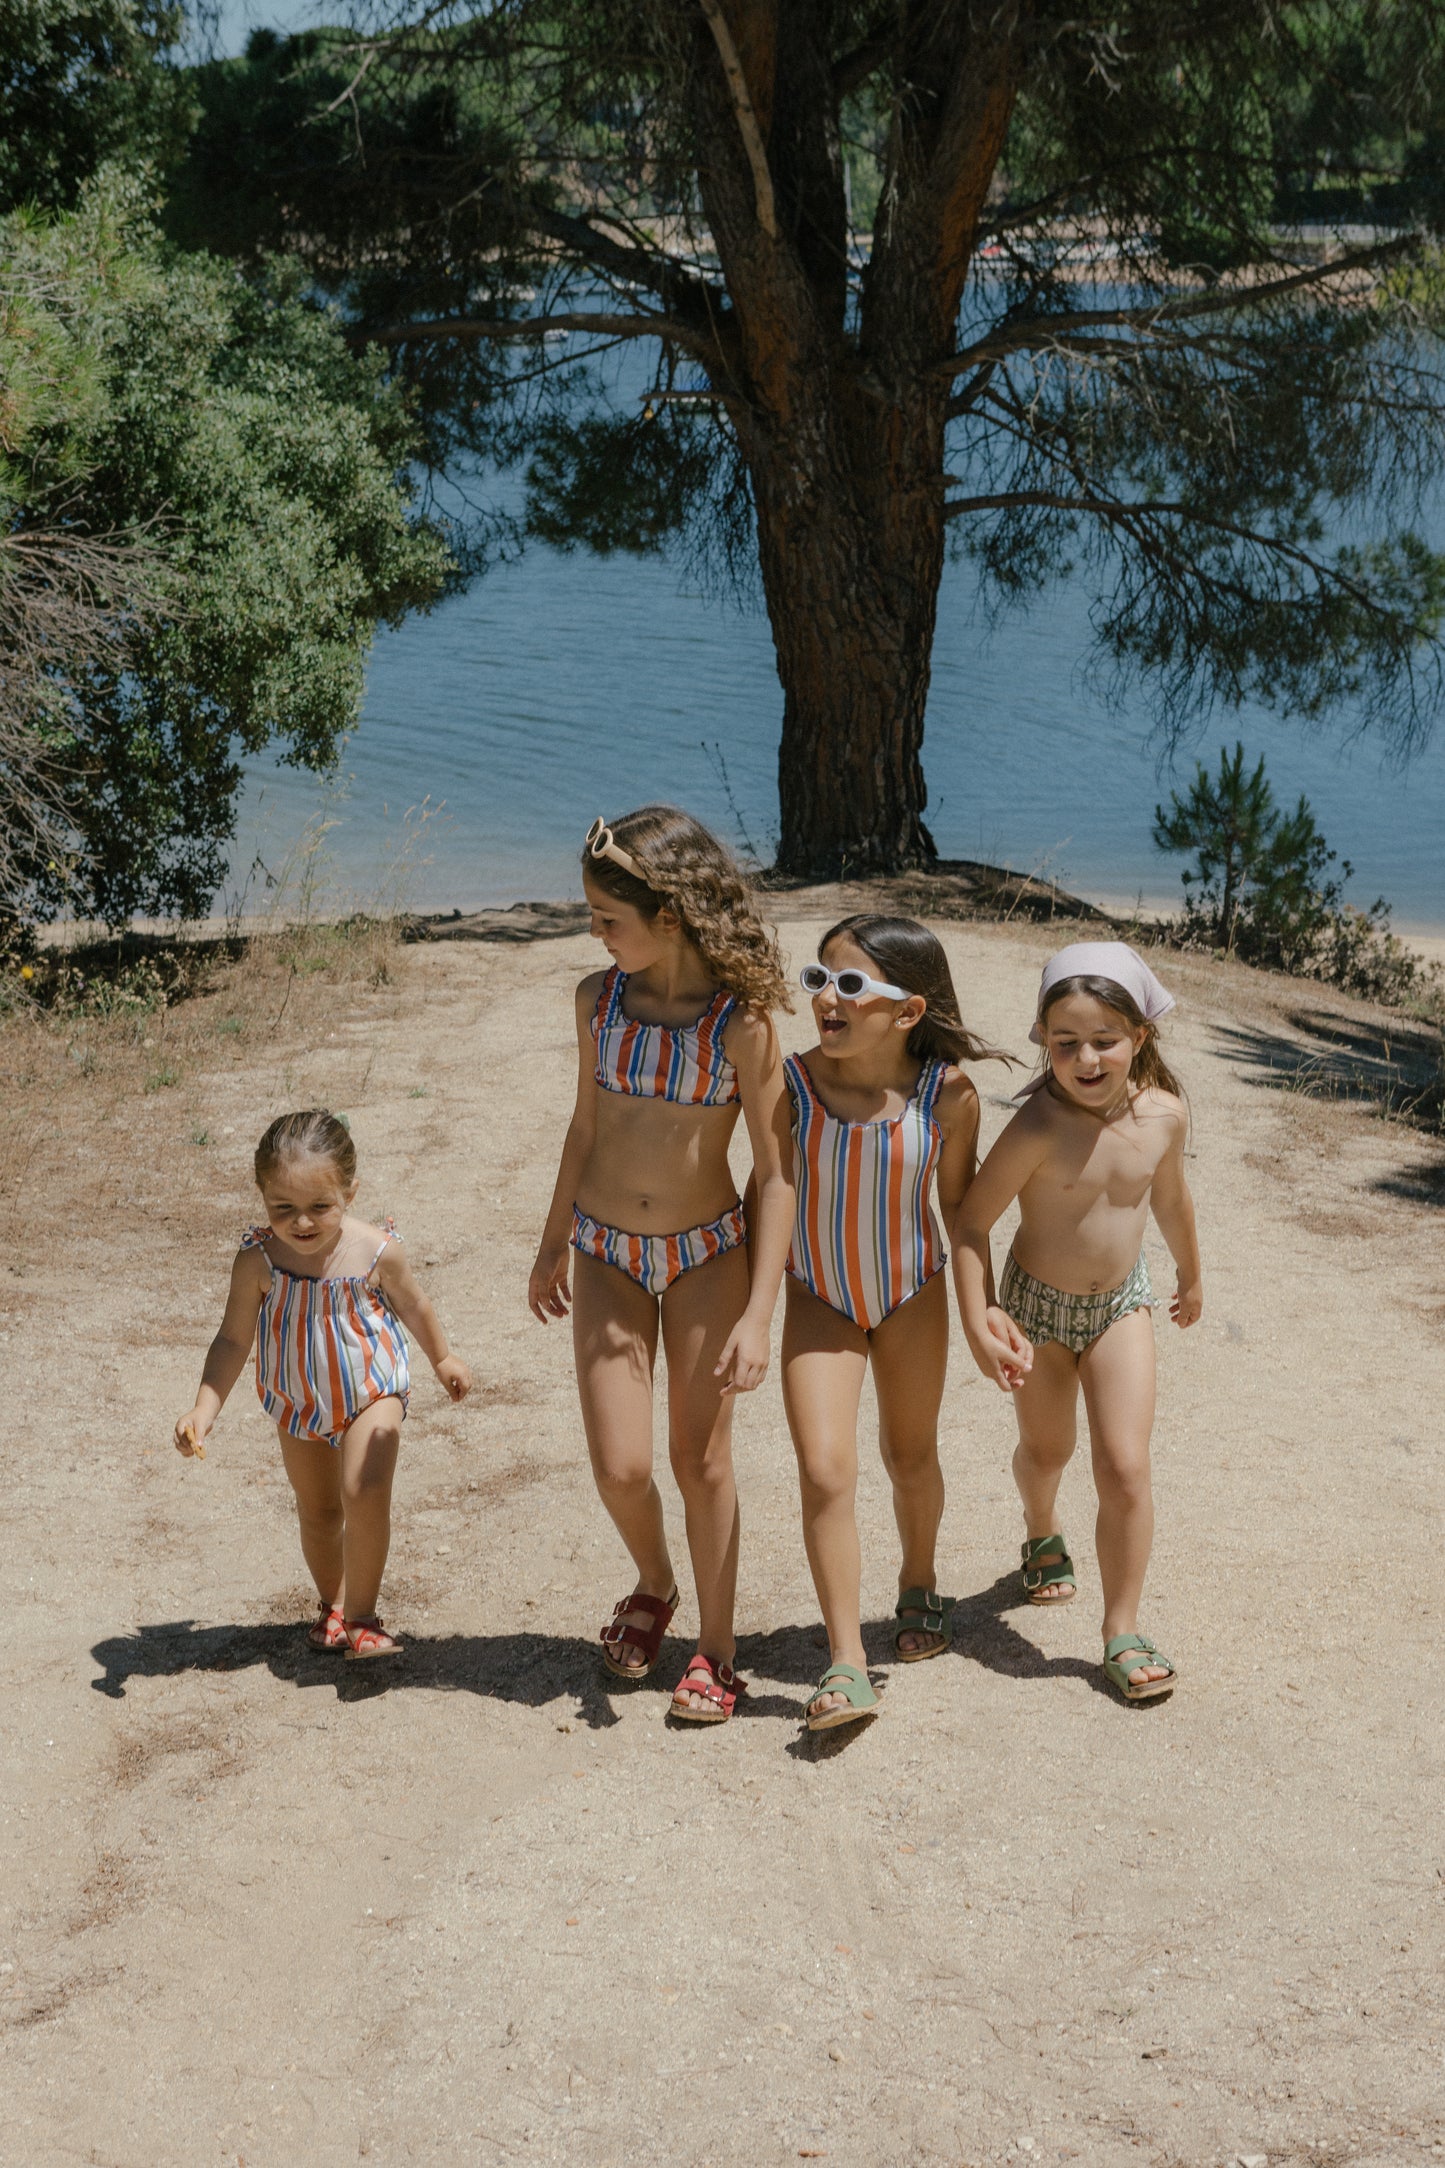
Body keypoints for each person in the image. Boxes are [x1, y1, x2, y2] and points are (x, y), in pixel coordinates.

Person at [529, 807, 793, 1724]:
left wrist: (760, 1312)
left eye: (608, 918)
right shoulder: (596, 1001)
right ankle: (653, 1579)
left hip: (706, 1253)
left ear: (670, 917)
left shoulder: (741, 1023)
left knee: (700, 1459)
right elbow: (582, 1127)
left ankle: (716, 1653)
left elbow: (773, 1173)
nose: (594, 933)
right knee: (620, 1467)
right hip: (604, 1250)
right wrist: (552, 1238)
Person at [780, 916, 1020, 1733]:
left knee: (910, 1454)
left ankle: (918, 1582)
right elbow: (761, 1195)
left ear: (907, 1009)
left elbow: (958, 1213)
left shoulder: (946, 1094)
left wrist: (979, 1313)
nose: (826, 1000)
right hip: (817, 1295)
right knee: (823, 1469)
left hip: (910, 1292)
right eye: (819, 981)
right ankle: (846, 1659)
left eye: (849, 985)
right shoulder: (789, 1083)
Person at [952, 942, 1202, 1702]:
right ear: (1042, 1042)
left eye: (1104, 1041)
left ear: (1139, 1037)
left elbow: (1168, 1200)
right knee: (1047, 1446)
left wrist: (1192, 1272)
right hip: (1038, 1309)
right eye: (1066, 1043)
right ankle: (1039, 1526)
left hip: (1120, 1303)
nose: (1085, 1058)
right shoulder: (1035, 1127)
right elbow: (969, 1223)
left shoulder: (1163, 1116)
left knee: (1125, 1466)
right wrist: (980, 1312)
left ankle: (1119, 1629)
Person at [174, 1109, 471, 1658]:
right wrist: (203, 1409)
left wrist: (443, 1356)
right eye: (283, 1208)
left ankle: (363, 1614)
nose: (302, 1223)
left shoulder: (376, 1251)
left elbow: (414, 1303)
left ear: (350, 1192)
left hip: (372, 1391)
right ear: (262, 1196)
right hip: (298, 1402)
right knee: (318, 1511)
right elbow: (233, 1341)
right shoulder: (258, 1261)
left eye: (319, 1207)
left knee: (365, 1490)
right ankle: (331, 1604)